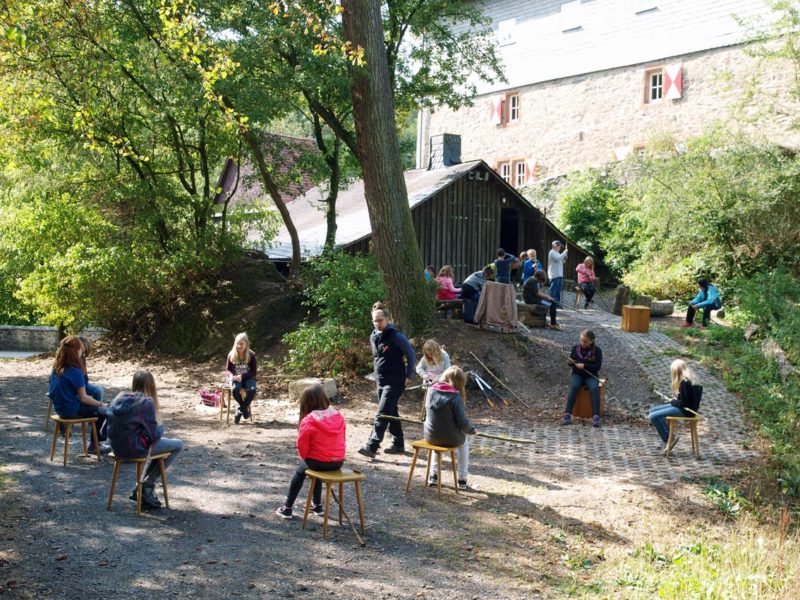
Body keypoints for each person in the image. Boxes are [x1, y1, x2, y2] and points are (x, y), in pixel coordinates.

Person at [107, 370, 184, 509]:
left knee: (159, 446)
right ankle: (147, 485)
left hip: (116, 448)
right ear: (151, 386)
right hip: (135, 449)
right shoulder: (145, 403)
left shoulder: (117, 398)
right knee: (178, 444)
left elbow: (103, 430)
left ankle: (142, 486)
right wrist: (160, 426)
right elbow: (155, 436)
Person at [276, 384, 346, 519]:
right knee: (315, 467)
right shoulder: (338, 415)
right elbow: (342, 437)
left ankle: (287, 508)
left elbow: (302, 446)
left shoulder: (309, 420)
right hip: (338, 461)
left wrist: (306, 458)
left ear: (307, 402)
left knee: (301, 470)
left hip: (318, 461)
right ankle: (317, 505)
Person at [358, 305, 416, 458]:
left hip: (395, 381)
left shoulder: (397, 336)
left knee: (382, 413)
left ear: (387, 319)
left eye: (380, 320)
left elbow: (410, 355)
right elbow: (377, 357)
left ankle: (372, 445)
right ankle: (398, 443)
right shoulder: (373, 336)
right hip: (380, 380)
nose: (377, 323)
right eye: (374, 321)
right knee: (391, 411)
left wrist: (409, 375)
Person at [48, 336, 108, 451]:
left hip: (60, 408)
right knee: (105, 412)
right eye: (81, 349)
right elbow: (84, 398)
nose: (82, 352)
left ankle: (94, 441)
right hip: (71, 410)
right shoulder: (75, 371)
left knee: (96, 404)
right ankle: (95, 445)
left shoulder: (57, 367)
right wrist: (101, 404)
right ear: (75, 351)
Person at [424, 366, 476, 491]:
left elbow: (428, 412)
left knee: (437, 446)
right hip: (451, 438)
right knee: (464, 444)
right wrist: (472, 430)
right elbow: (463, 423)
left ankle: (433, 475)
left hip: (430, 436)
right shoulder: (456, 397)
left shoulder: (431, 390)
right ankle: (462, 479)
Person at [648, 360, 703, 454]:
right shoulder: (692, 380)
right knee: (652, 410)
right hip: (686, 408)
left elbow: (683, 403)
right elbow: (685, 399)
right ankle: (668, 436)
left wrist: (673, 401)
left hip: (685, 411)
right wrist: (676, 400)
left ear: (677, 372)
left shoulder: (685, 383)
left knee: (653, 416)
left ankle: (669, 439)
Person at [562, 329, 603, 427]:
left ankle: (596, 416)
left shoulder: (597, 351)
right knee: (574, 386)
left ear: (591, 341)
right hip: (577, 374)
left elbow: (597, 367)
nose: (583, 343)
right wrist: (570, 362)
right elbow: (571, 362)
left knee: (594, 388)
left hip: (590, 375)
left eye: (585, 342)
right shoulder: (575, 348)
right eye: (581, 340)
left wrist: (584, 366)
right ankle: (568, 414)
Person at [226, 332, 257, 424]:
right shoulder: (231, 354)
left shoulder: (251, 355)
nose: (239, 346)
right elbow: (227, 370)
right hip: (236, 378)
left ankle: (240, 410)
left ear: (246, 344)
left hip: (248, 378)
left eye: (242, 344)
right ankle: (245, 411)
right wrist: (231, 376)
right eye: (238, 344)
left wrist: (242, 376)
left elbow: (254, 372)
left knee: (252, 390)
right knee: (235, 389)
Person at [79, 336, 104, 404]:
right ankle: (96, 409)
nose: (84, 355)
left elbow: (84, 377)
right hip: (79, 386)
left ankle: (96, 408)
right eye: (83, 352)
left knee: (99, 390)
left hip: (83, 384)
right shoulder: (75, 359)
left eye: (85, 353)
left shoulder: (82, 358)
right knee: (98, 391)